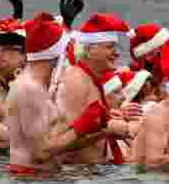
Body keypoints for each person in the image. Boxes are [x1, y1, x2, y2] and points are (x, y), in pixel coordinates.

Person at [6, 13, 111, 175]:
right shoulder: (30, 89)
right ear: (55, 53)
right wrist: (81, 126)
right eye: (65, 49)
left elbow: (54, 141)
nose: (69, 55)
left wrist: (99, 131)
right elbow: (40, 153)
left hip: (43, 179)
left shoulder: (40, 86)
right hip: (29, 182)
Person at [57, 13, 133, 164]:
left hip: (91, 175)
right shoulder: (77, 81)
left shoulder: (89, 79)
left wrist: (108, 119)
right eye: (110, 47)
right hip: (75, 176)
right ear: (90, 50)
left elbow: (85, 123)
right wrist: (108, 129)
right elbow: (63, 140)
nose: (117, 53)